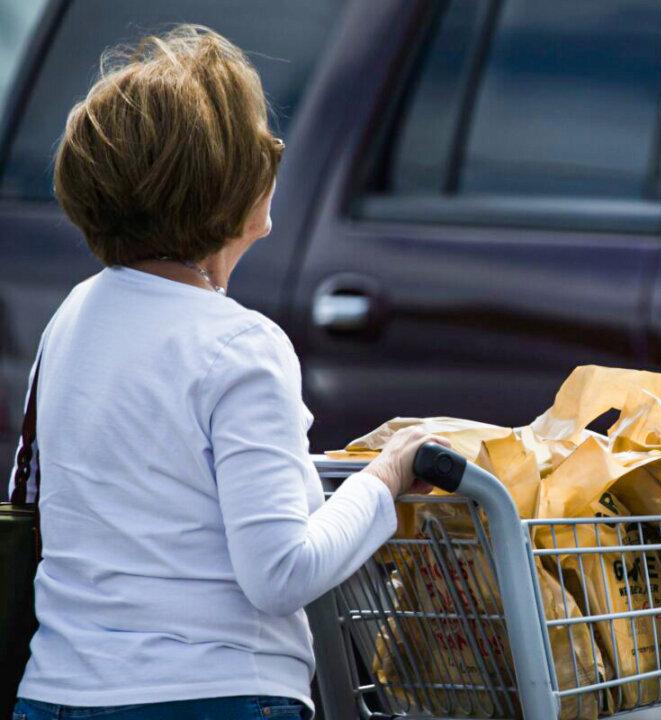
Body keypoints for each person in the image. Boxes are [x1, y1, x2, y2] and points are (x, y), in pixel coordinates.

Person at [7, 25, 448, 720]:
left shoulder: (73, 317)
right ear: (222, 186)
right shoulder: (240, 344)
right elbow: (281, 573)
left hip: (56, 694)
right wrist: (387, 476)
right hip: (210, 694)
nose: (274, 157)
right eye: (261, 146)